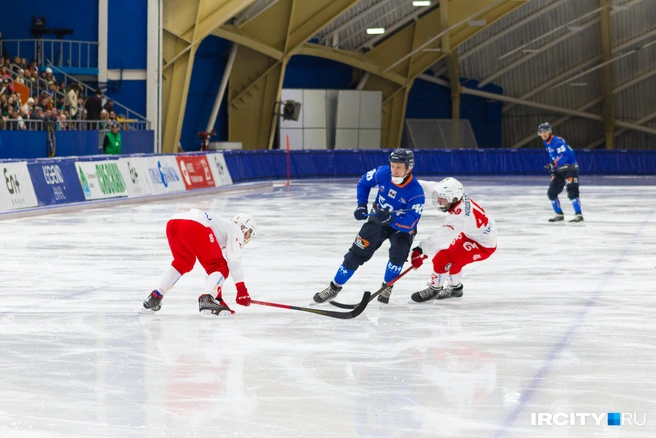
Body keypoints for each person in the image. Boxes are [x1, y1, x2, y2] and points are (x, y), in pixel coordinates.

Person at [313, 148, 425, 304]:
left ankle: (387, 286)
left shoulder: (416, 191)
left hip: (401, 227)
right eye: (392, 165)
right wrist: (361, 205)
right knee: (355, 255)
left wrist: (391, 219)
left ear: (409, 167)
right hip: (378, 220)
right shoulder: (382, 172)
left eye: (399, 167)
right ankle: (334, 288)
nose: (394, 170)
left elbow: (411, 222)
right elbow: (363, 183)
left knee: (397, 257)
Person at [143, 210, 256, 316]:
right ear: (243, 227)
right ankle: (207, 299)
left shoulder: (221, 227)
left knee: (183, 262)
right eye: (249, 233)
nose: (247, 237)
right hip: (195, 225)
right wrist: (242, 289)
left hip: (173, 224)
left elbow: (211, 273)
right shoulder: (235, 229)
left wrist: (218, 299)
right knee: (219, 266)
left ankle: (156, 296)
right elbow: (234, 260)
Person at [409, 177, 497, 302]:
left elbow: (441, 236)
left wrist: (420, 249)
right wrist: (407, 181)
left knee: (442, 259)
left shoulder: (460, 216)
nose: (438, 201)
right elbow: (429, 186)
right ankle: (456, 289)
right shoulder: (454, 195)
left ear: (453, 199)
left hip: (483, 245)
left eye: (442, 199)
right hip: (476, 234)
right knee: (454, 261)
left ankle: (434, 289)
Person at [538, 122, 584, 223]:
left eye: (545, 132)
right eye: (541, 132)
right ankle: (559, 214)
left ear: (549, 132)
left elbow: (565, 156)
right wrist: (552, 168)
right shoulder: (547, 142)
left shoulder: (557, 142)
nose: (543, 134)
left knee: (572, 191)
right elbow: (553, 155)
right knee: (551, 193)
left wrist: (553, 164)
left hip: (569, 168)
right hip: (559, 170)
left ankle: (578, 214)